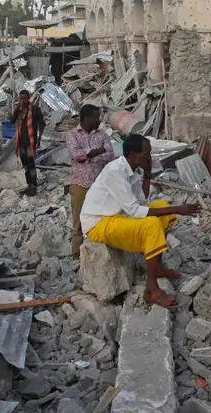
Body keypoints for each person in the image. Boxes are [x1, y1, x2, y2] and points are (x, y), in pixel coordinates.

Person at [80, 134, 201, 308]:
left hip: (115, 216)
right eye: (146, 154)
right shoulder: (115, 171)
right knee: (152, 223)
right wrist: (177, 209)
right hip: (98, 223)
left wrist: (147, 174)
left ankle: (156, 266)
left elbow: (141, 198)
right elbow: (135, 211)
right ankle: (151, 289)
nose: (149, 157)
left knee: (161, 207)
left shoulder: (131, 169)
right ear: (132, 154)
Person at [66, 104, 115, 256]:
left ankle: (102, 253)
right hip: (80, 184)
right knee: (78, 222)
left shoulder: (102, 135)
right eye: (96, 118)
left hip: (100, 185)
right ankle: (75, 254)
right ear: (86, 119)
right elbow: (76, 155)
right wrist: (99, 151)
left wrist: (88, 155)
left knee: (103, 218)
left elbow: (110, 155)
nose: (99, 120)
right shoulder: (72, 134)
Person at [12, 90, 44, 196]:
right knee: (25, 165)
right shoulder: (19, 111)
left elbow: (42, 124)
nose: (23, 101)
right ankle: (28, 185)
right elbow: (12, 121)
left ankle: (33, 185)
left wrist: (39, 139)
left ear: (29, 98)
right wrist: (16, 110)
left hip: (31, 142)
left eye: (25, 98)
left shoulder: (35, 109)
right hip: (21, 142)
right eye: (21, 99)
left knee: (31, 165)